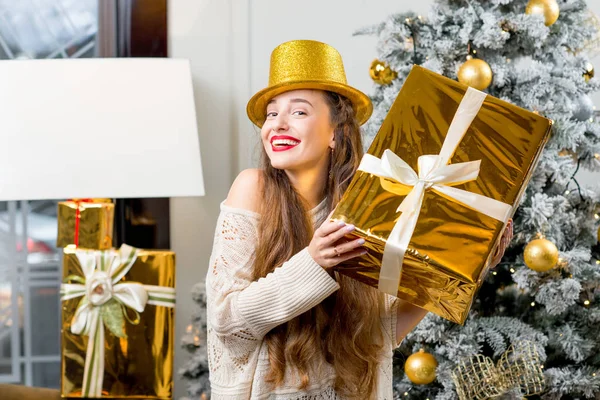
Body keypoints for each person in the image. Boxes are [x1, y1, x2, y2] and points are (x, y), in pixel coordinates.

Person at [205, 40, 513, 399]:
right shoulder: (253, 188)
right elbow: (226, 324)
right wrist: (314, 262)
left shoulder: (365, 206)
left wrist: (471, 265)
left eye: (299, 112)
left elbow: (378, 334)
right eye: (272, 114)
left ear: (336, 132)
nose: (278, 124)